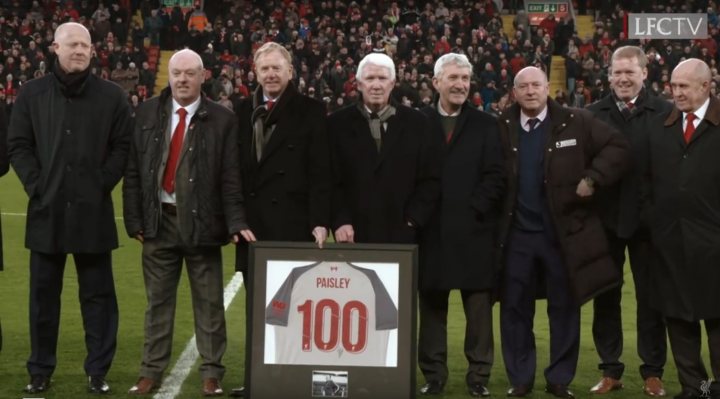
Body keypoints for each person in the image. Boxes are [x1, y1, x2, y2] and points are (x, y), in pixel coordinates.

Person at [7, 22, 131, 394]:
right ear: (54, 48)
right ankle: (40, 370)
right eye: (72, 44)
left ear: (93, 51)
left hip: (93, 213)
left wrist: (100, 183)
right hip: (47, 212)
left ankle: (98, 371)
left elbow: (123, 146)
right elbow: (18, 145)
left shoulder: (112, 96)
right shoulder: (31, 94)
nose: (80, 50)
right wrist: (37, 186)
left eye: (86, 45)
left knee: (98, 298)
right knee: (43, 299)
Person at [122, 49, 253, 397]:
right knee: (157, 303)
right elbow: (134, 168)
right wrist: (133, 218)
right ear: (170, 76)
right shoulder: (148, 111)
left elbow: (230, 177)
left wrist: (234, 222)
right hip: (158, 222)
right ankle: (150, 371)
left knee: (210, 303)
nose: (182, 79)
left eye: (189, 73)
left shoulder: (223, 119)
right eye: (177, 73)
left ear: (203, 75)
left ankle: (212, 373)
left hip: (202, 224)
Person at [497, 66, 629, 398]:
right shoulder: (501, 126)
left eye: (536, 85)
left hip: (562, 234)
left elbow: (617, 146)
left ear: (548, 88)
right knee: (514, 309)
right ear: (514, 92)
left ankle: (559, 378)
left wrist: (593, 178)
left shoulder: (576, 120)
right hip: (517, 236)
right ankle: (521, 378)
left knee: (565, 308)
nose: (530, 91)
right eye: (523, 86)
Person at [230, 41, 331, 397]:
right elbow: (233, 174)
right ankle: (257, 378)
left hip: (294, 225)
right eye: (264, 69)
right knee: (258, 309)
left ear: (291, 72)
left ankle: (294, 378)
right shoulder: (241, 110)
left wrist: (320, 220)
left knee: (295, 308)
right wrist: (234, 220)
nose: (271, 75)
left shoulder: (312, 111)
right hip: (253, 229)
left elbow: (321, 171)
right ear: (254, 73)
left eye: (277, 68)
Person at [417, 53, 505, 397]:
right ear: (436, 81)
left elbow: (497, 175)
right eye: (453, 78)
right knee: (433, 310)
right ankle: (434, 376)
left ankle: (478, 377)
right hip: (431, 232)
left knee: (479, 311)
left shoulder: (486, 124)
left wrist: (474, 210)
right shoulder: (418, 121)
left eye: (465, 79)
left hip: (475, 232)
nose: (460, 85)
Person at [586, 45, 672, 396]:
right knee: (605, 297)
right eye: (617, 73)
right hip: (604, 223)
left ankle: (653, 372)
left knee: (652, 299)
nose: (623, 79)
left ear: (643, 74)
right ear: (608, 75)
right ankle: (611, 370)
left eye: (629, 73)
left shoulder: (665, 112)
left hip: (649, 225)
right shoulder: (591, 114)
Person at [644, 58, 720, 399]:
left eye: (684, 86)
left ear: (706, 87)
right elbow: (645, 182)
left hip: (715, 243)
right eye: (673, 86)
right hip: (671, 242)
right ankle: (696, 387)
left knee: (717, 321)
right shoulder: (661, 127)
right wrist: (655, 224)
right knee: (679, 319)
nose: (676, 93)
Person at [328, 52, 441, 245]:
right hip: (352, 235)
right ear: (359, 83)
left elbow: (430, 179)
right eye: (370, 78)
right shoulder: (336, 124)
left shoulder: (419, 123)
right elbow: (329, 179)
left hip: (403, 235)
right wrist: (340, 220)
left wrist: (413, 220)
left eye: (382, 78)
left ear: (392, 83)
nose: (376, 85)